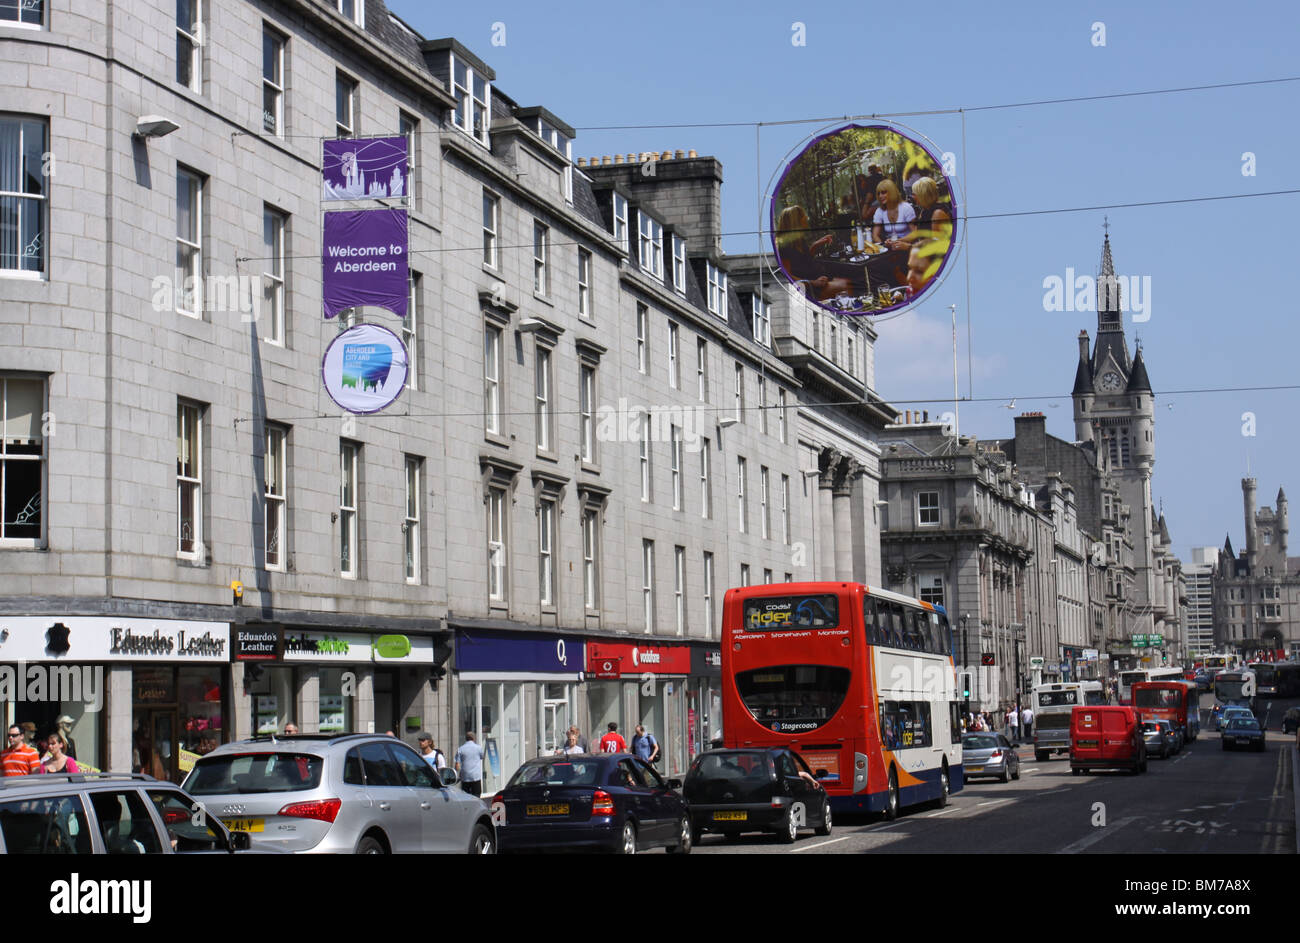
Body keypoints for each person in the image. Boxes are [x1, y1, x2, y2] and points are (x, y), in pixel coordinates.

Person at [774, 205, 855, 300]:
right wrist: (813, 282)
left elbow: (804, 259)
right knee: (845, 286)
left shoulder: (798, 239)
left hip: (815, 279)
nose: (806, 219)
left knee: (848, 281)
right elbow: (787, 276)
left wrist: (816, 245)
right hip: (807, 288)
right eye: (803, 217)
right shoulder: (784, 246)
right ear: (796, 221)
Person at [871, 179, 917, 250]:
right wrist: (883, 247)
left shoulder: (906, 207)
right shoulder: (879, 211)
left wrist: (898, 241)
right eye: (878, 193)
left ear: (891, 192)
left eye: (883, 192)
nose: (880, 196)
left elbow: (915, 233)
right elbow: (875, 235)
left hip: (907, 247)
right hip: (890, 248)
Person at [455, 731, 485, 796]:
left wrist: (457, 774)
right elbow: (482, 757)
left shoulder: (460, 749)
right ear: (473, 738)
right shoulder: (478, 748)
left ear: (466, 738)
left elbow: (457, 765)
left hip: (465, 777)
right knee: (476, 796)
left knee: (466, 796)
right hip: (475, 776)